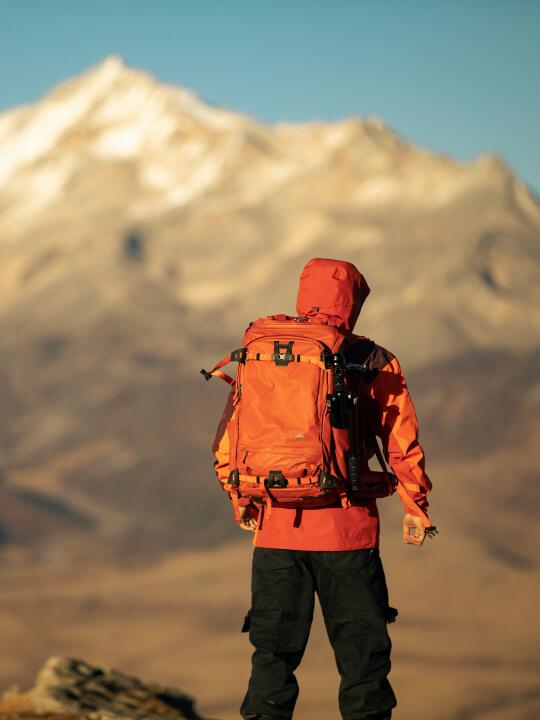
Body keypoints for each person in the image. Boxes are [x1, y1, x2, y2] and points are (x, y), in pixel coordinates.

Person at [211, 258, 433, 720]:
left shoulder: (265, 350)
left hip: (275, 531)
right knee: (363, 663)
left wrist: (242, 498)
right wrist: (416, 504)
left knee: (271, 659)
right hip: (347, 532)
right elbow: (400, 439)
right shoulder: (371, 359)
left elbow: (231, 436)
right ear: (353, 302)